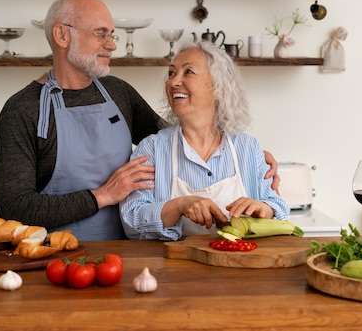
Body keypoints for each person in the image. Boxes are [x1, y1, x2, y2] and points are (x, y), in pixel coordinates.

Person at [0, 0, 279, 241]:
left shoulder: (118, 93)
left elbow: (177, 140)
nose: (112, 45)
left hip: (123, 256)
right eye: (101, 33)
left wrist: (244, 153)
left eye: (112, 35)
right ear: (62, 35)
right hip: (47, 255)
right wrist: (103, 195)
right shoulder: (22, 110)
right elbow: (15, 208)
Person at [120, 41, 290, 241]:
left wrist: (264, 209)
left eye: (188, 71)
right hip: (173, 268)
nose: (174, 82)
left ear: (218, 86)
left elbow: (279, 208)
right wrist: (179, 206)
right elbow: (131, 220)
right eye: (171, 73)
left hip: (240, 266)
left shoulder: (247, 147)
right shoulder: (152, 149)